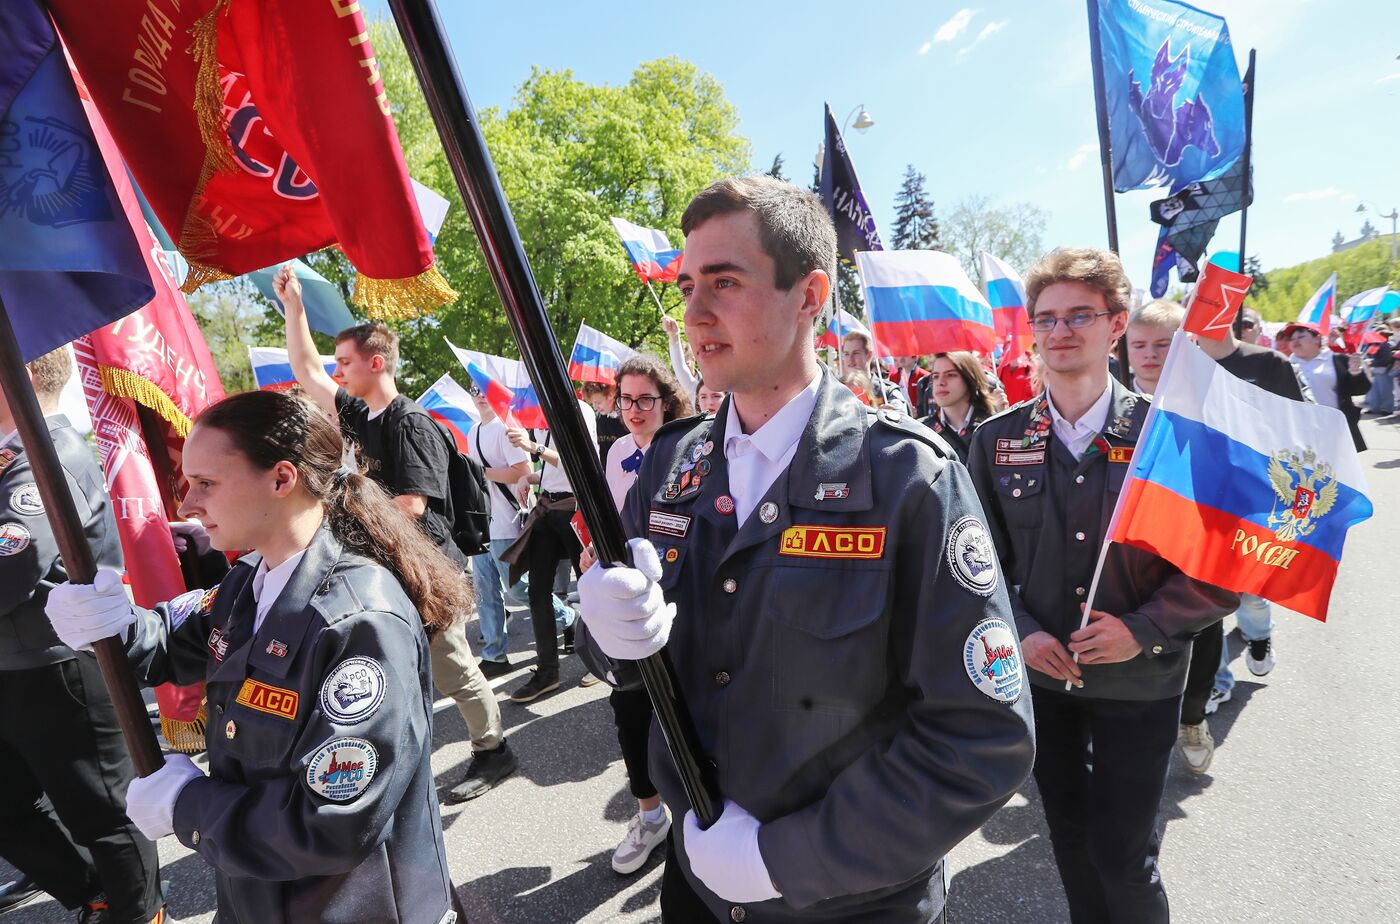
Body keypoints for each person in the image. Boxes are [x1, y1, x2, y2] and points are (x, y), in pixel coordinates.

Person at [578, 175, 1034, 923]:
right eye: (689, 285)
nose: (694, 312)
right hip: (694, 884)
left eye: (725, 282)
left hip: (848, 899)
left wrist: (785, 859)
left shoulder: (905, 477)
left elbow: (981, 737)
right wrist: (602, 634)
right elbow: (628, 659)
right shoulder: (667, 466)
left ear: (810, 295)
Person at [45, 390, 464, 924]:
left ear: (282, 479)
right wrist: (113, 625)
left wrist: (187, 806)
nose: (186, 505)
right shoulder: (250, 580)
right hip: (262, 895)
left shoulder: (359, 618)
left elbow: (331, 822)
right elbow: (175, 642)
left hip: (350, 905)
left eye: (206, 483)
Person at [968, 247, 1238, 924]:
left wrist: (1142, 628)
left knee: (1124, 857)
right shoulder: (997, 441)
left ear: (1115, 325)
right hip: (1041, 687)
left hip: (1140, 682)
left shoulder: (1169, 435)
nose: (1060, 331)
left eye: (1079, 315)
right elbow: (973, 565)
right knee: (1071, 843)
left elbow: (1220, 569)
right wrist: (1022, 632)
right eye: (1047, 318)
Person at [273, 266, 515, 802]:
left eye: (346, 363)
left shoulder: (411, 423)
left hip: (425, 568)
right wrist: (294, 309)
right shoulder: (360, 415)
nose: (335, 372)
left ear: (375, 363)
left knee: (452, 665)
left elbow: (410, 505)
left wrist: (345, 531)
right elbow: (307, 369)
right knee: (399, 667)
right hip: (389, 565)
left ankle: (494, 751)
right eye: (338, 363)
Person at [0, 348, 165, 924]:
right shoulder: (10, 456)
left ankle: (139, 913)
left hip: (58, 667)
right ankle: (93, 892)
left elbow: (11, 568)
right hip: (14, 667)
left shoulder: (49, 455)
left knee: (102, 811)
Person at [1177, 315, 1316, 770]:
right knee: (1211, 597)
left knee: (1252, 592)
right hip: (1207, 500)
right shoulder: (1186, 366)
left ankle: (1258, 639)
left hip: (1260, 497)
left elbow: (1303, 422)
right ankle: (1217, 679)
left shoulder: (1269, 362)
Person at [585, 355, 694, 876]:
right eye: (625, 399)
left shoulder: (693, 449)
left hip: (682, 600)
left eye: (644, 399)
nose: (633, 409)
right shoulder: (617, 452)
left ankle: (703, 811)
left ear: (666, 401)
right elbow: (610, 519)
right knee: (629, 712)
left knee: (691, 711)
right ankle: (650, 816)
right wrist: (593, 555)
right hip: (630, 604)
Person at [504, 404, 597, 702]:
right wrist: (529, 478)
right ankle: (547, 672)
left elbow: (577, 461)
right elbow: (554, 471)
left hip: (574, 508)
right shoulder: (538, 414)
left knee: (591, 588)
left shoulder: (577, 409)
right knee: (537, 591)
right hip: (547, 507)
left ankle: (602, 659)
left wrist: (534, 447)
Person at [1281, 321, 1369, 451]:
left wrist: (1355, 372)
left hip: (1334, 427)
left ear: (1317, 338)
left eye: (1300, 337)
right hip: (1299, 430)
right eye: (1291, 339)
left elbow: (1358, 390)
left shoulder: (1338, 360)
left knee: (1337, 468)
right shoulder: (1284, 364)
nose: (1295, 341)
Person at [917, 352, 997, 463]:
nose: (940, 382)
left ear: (970, 379)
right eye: (935, 376)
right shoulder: (920, 431)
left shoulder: (993, 427)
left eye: (950, 375)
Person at [838, 330, 909, 411]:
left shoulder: (887, 391)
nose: (850, 359)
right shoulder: (834, 390)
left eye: (856, 353)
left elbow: (901, 418)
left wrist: (882, 417)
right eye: (846, 354)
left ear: (869, 355)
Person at [1124, 300, 1184, 395]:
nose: (1150, 354)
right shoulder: (1107, 402)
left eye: (1162, 344)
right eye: (1139, 346)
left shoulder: (1204, 401)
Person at [583, 381, 629, 469]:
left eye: (598, 402)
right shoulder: (597, 419)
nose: (595, 407)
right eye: (593, 403)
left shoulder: (627, 419)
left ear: (611, 395)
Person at [663, 315, 701, 404]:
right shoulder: (694, 388)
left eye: (716, 396)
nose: (709, 402)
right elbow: (680, 367)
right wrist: (674, 335)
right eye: (703, 396)